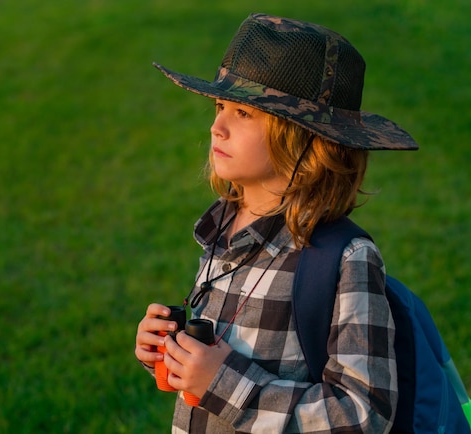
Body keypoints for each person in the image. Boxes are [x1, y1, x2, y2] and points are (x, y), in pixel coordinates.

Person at [135, 13, 418, 433]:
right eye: (219, 106)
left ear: (307, 141)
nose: (217, 127)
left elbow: (364, 415)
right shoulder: (223, 231)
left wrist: (223, 383)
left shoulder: (343, 259)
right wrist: (170, 351)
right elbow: (213, 364)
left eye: (245, 114)